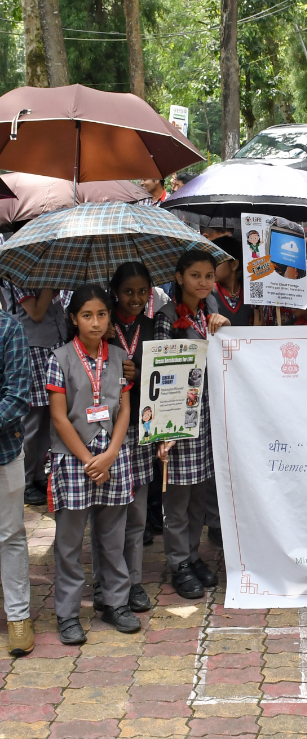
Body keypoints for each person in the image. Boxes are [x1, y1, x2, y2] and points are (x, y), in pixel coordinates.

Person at [47, 285, 137, 644]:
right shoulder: (60, 358)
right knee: (69, 543)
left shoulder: (118, 356)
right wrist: (89, 460)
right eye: (87, 315)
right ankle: (68, 613)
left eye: (101, 314)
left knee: (113, 538)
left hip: (113, 455)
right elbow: (58, 417)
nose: (95, 322)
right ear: (73, 319)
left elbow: (125, 410)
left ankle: (115, 602)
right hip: (74, 460)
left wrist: (112, 453)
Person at [155, 251, 230, 600]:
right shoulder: (165, 318)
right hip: (177, 419)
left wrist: (224, 327)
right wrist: (163, 429)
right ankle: (178, 563)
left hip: (207, 415)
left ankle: (193, 554)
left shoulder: (209, 311)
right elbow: (160, 368)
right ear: (179, 276)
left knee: (201, 492)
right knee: (177, 498)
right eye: (195, 275)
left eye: (208, 276)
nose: (203, 282)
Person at [98, 263, 158, 614]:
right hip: (105, 429)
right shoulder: (102, 327)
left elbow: (166, 373)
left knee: (136, 511)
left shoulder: (152, 327)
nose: (135, 298)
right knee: (109, 512)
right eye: (128, 292)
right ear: (115, 292)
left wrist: (143, 369)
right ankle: (106, 580)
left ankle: (133, 581)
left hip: (142, 427)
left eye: (141, 292)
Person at [7, 285, 69, 506]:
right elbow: (36, 312)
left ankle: (38, 476)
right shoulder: (17, 279)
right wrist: (48, 285)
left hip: (54, 347)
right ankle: (25, 481)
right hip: (32, 349)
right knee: (31, 422)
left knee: (47, 419)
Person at [0, 303, 32, 655]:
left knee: (9, 534)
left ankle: (18, 616)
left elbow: (18, 397)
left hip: (4, 451)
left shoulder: (9, 329)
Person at [210, 236, 255, 327]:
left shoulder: (251, 294)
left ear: (234, 264)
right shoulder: (207, 293)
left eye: (216, 262)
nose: (211, 267)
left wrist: (259, 309)